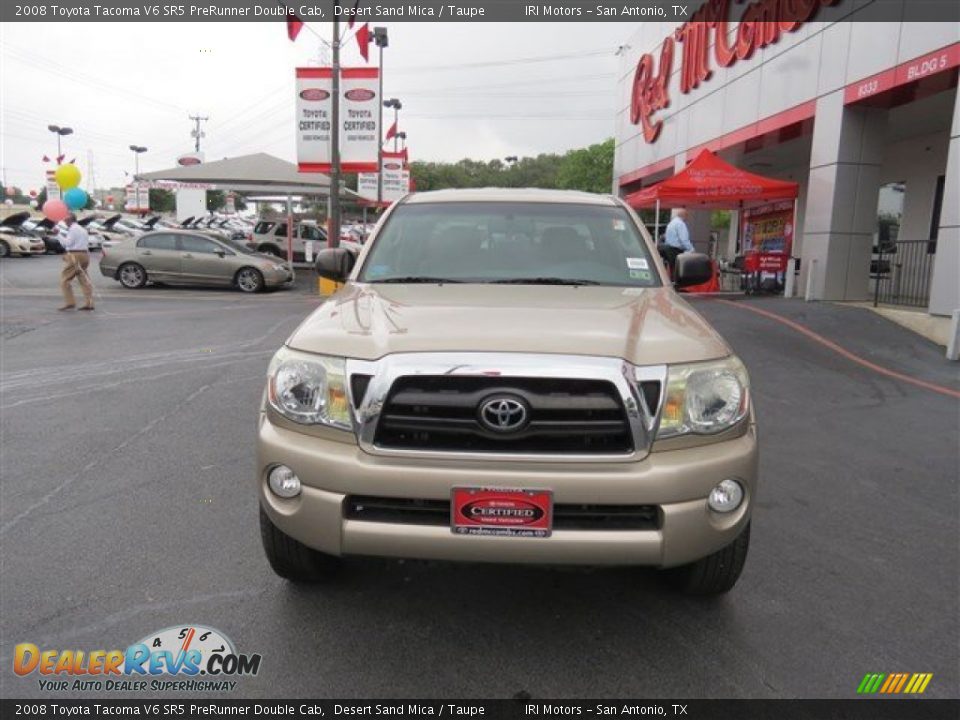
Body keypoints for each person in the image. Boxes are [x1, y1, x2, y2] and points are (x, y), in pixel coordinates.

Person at [58, 213, 94, 311]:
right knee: (84, 280)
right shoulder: (82, 229)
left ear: (69, 220)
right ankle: (89, 303)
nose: (64, 222)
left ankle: (70, 302)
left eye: (65, 220)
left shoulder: (73, 229)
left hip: (75, 255)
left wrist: (58, 234)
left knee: (65, 279)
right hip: (84, 255)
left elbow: (67, 243)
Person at [661, 208, 693, 276]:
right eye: (687, 216)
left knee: (671, 270)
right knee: (678, 272)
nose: (687, 218)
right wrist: (691, 249)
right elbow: (684, 239)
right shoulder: (681, 224)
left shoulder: (671, 223)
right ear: (684, 215)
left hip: (668, 249)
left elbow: (666, 237)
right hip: (675, 251)